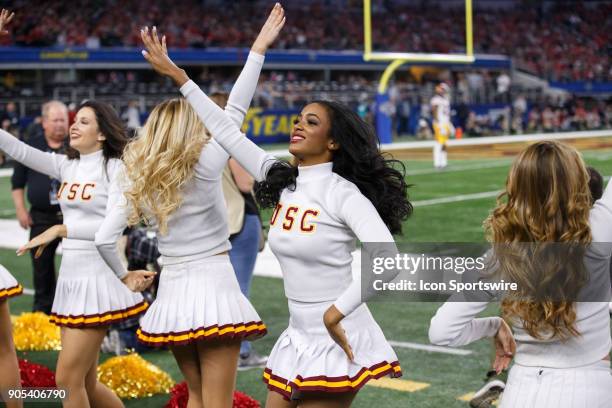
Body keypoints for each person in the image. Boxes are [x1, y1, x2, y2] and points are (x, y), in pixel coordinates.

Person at [140, 23, 413, 407]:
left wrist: (337, 312)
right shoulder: (283, 180)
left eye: (312, 122)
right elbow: (227, 127)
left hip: (338, 335)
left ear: (333, 142)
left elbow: (387, 259)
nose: (298, 124)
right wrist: (182, 77)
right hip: (297, 334)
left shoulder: (342, 194)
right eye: (298, 118)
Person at [95, 7, 285, 407]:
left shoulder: (136, 175)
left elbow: (104, 238)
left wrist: (125, 275)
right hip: (214, 284)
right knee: (217, 402)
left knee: (196, 397)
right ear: (187, 128)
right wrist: (256, 50)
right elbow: (233, 113)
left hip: (173, 290)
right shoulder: (205, 164)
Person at [3, 12, 153, 405]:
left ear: (102, 132)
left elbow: (112, 230)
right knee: (83, 384)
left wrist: (60, 230)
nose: (72, 125)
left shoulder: (117, 168)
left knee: (64, 380)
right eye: (73, 120)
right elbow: (12, 145)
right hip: (71, 278)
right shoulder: (66, 165)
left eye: (83, 121)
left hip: (100, 279)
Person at [429, 141, 612, 408]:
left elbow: (441, 332)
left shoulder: (498, 258)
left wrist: (494, 325)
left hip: (519, 392)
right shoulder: (599, 232)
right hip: (588, 391)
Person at [214, 92, 268, 370]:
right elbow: (246, 183)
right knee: (239, 290)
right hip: (240, 217)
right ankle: (243, 351)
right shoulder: (231, 138)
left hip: (216, 225)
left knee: (223, 290)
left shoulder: (200, 141)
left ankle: (224, 349)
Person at [11, 100, 68, 314]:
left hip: (72, 217)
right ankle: (43, 313)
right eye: (55, 120)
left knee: (77, 264)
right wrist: (20, 209)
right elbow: (17, 182)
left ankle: (69, 310)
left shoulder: (76, 145)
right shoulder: (31, 146)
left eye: (63, 120)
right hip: (41, 216)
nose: (59, 125)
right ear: (44, 122)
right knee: (41, 265)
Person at [430, 83, 453, 169]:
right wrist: (438, 122)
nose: (445, 92)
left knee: (445, 143)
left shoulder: (445, 99)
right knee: (439, 142)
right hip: (440, 123)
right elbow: (434, 111)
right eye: (444, 90)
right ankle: (437, 163)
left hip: (445, 123)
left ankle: (443, 162)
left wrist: (449, 123)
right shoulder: (436, 99)